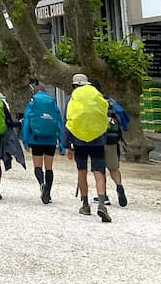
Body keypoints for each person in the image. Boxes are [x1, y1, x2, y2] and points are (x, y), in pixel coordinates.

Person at [64, 73, 112, 222]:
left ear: (74, 85)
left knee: (82, 171)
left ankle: (85, 204)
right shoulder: (97, 95)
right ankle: (102, 203)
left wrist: (67, 145)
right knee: (99, 172)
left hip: (79, 140)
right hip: (97, 139)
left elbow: (68, 120)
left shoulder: (73, 98)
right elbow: (104, 115)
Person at [20, 84, 65, 204]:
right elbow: (59, 124)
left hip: (36, 139)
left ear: (34, 93)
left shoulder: (32, 103)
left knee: (38, 167)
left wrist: (25, 140)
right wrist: (62, 144)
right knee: (49, 167)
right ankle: (48, 193)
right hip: (50, 139)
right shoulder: (52, 104)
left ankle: (41, 184)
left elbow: (26, 122)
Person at [103, 94, 130, 207]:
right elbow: (126, 120)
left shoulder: (93, 101)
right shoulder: (112, 102)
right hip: (113, 139)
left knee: (99, 169)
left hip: (98, 138)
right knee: (114, 167)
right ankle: (119, 185)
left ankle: (103, 196)